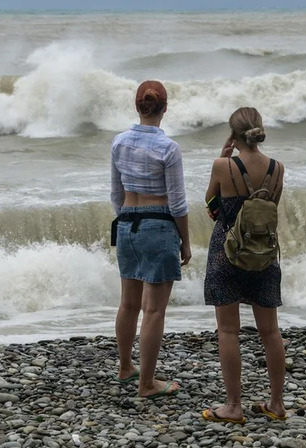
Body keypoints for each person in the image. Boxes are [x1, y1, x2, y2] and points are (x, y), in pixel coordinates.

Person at [201, 107, 286, 424]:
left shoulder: (223, 166)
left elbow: (212, 208)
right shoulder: (277, 168)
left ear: (233, 135)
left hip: (228, 253)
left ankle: (233, 407)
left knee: (228, 331)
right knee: (271, 331)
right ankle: (276, 404)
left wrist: (223, 157)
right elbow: (267, 209)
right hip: (263, 254)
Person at [110, 80, 191, 399]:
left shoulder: (119, 142)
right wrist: (185, 240)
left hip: (127, 223)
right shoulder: (169, 148)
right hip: (158, 226)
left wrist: (129, 215)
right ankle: (147, 384)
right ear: (165, 108)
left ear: (137, 106)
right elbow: (178, 203)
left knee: (128, 303)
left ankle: (125, 368)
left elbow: (116, 194)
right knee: (153, 310)